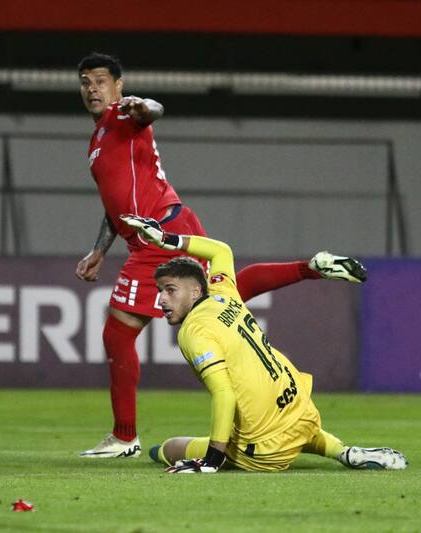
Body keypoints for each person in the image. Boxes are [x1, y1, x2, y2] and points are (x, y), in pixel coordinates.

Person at [75, 52, 367, 458]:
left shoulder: (123, 115)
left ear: (118, 85)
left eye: (101, 81)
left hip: (159, 236)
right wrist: (99, 250)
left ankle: (125, 437)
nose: (92, 88)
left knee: (118, 331)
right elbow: (115, 204)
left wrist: (142, 105)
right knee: (224, 296)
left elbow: (152, 111)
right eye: (86, 82)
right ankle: (311, 267)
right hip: (172, 224)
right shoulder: (98, 139)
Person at [120, 214, 407, 472]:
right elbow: (221, 250)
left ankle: (214, 453)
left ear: (196, 290)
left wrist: (212, 459)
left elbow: (224, 394)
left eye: (170, 290)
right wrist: (166, 239)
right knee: (291, 426)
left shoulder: (193, 331)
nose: (161, 299)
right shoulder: (225, 292)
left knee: (167, 449)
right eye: (160, 290)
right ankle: (342, 451)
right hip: (302, 411)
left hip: (264, 451)